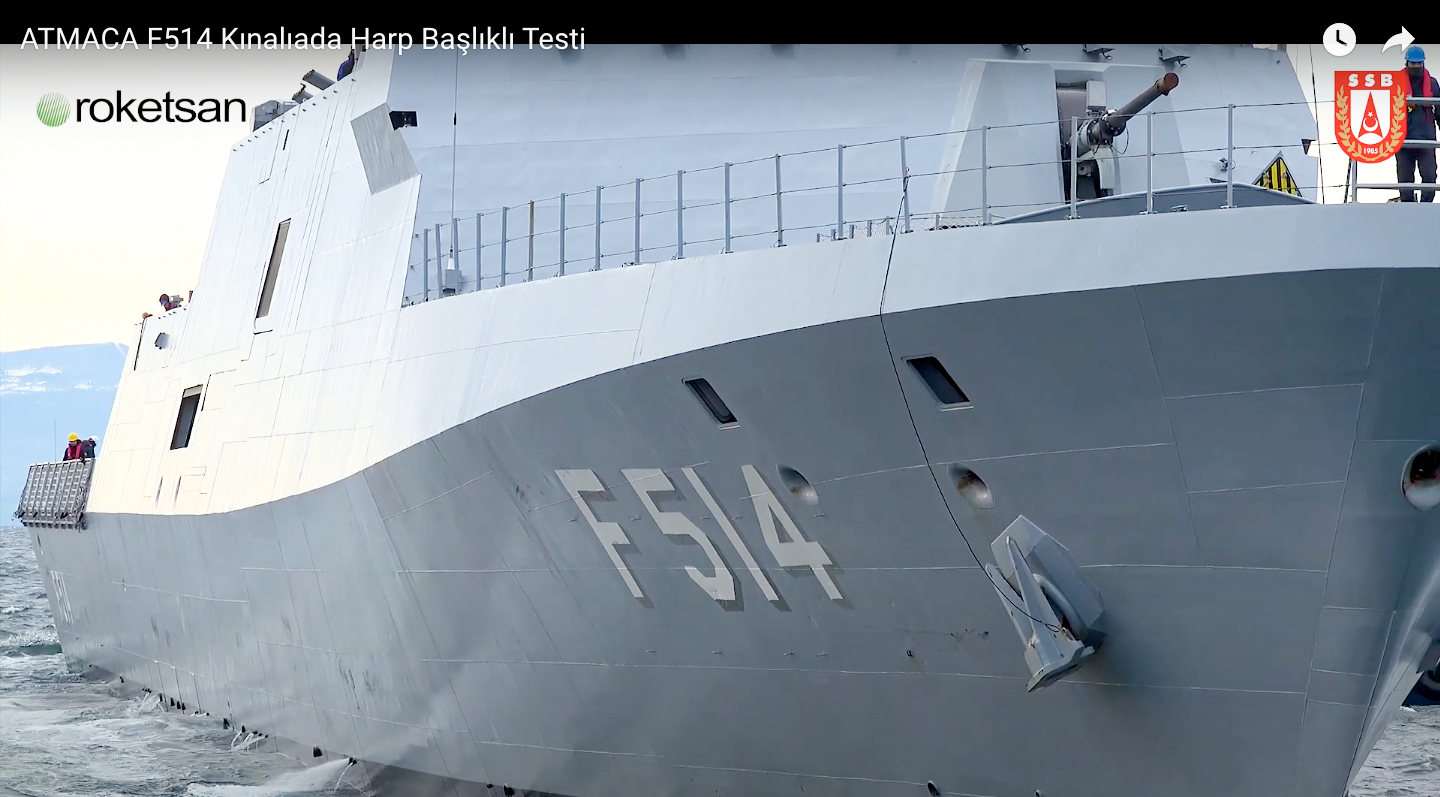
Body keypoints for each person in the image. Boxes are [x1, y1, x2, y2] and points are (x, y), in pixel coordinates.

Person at [1398, 45, 1439, 203]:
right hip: (1402, 139)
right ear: (1407, 63)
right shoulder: (1395, 83)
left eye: (1419, 63)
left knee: (1430, 176)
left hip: (1426, 139)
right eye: (1413, 63)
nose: (1416, 66)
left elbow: (1439, 111)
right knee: (1405, 180)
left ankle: (1426, 205)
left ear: (1423, 63)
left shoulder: (1432, 84)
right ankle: (1407, 206)